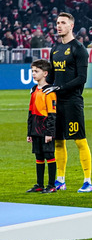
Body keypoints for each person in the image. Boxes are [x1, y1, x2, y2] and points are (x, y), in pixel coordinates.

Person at [46, 12, 92, 193]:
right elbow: (52, 76)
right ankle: (60, 180)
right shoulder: (55, 49)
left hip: (72, 102)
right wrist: (42, 85)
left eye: (63, 23)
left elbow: (82, 78)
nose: (59, 26)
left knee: (79, 141)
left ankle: (88, 180)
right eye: (57, 23)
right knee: (58, 141)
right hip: (56, 103)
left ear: (71, 26)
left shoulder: (79, 49)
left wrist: (60, 88)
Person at [26, 59, 58, 194]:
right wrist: (29, 132)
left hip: (45, 129)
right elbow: (30, 111)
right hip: (36, 128)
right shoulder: (34, 90)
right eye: (32, 71)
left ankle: (51, 185)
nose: (33, 74)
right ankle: (39, 184)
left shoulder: (49, 92)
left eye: (36, 71)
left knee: (49, 155)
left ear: (45, 73)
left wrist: (49, 133)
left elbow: (52, 114)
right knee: (38, 156)